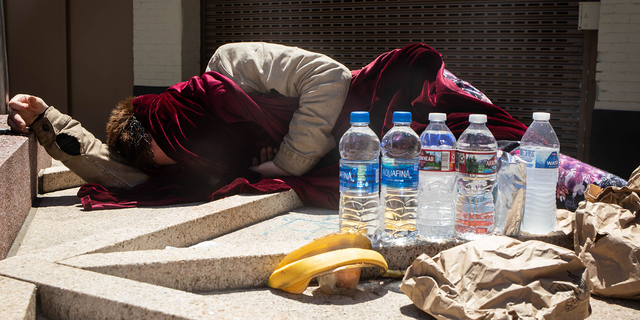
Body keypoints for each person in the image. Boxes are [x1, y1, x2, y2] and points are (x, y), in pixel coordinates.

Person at [7, 42, 528, 210]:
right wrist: (46, 121)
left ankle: (585, 184)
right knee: (487, 194)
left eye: (180, 149)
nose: (191, 163)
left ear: (172, 122)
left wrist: (287, 163)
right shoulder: (178, 156)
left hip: (393, 100)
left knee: (521, 161)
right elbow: (121, 173)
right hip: (356, 158)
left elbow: (327, 78)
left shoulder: (229, 66)